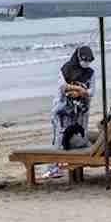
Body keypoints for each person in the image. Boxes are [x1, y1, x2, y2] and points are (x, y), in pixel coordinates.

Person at [44, 45, 95, 179]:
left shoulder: (90, 73)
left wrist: (80, 92)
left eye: (89, 60)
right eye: (84, 59)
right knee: (59, 136)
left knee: (78, 136)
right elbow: (62, 87)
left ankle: (76, 165)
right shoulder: (66, 69)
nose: (86, 63)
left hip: (80, 111)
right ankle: (53, 167)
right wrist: (78, 89)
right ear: (78, 57)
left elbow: (90, 92)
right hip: (62, 109)